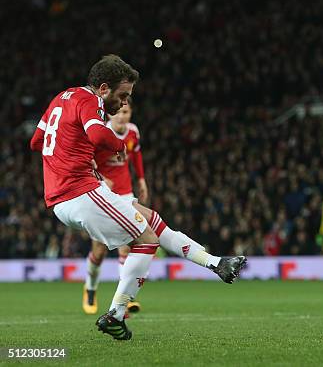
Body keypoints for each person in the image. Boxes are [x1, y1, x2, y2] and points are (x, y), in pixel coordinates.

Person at [30, 55, 246, 340]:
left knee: (152, 220)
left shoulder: (61, 98)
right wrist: (118, 145)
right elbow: (97, 135)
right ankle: (116, 314)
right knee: (147, 242)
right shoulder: (90, 101)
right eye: (122, 96)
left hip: (66, 194)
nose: (123, 103)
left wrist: (65, 157)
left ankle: (216, 263)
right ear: (104, 87)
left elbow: (35, 141)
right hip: (79, 191)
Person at [82, 98, 147, 316]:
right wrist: (100, 179)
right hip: (102, 195)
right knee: (99, 252)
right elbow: (86, 162)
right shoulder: (100, 135)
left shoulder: (132, 132)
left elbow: (136, 155)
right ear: (109, 114)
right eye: (118, 112)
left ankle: (124, 298)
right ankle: (90, 289)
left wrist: (141, 180)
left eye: (126, 112)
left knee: (127, 247)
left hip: (126, 194)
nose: (121, 116)